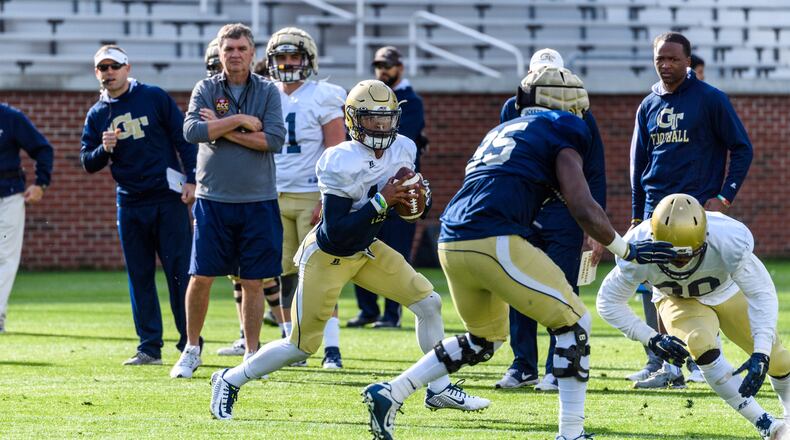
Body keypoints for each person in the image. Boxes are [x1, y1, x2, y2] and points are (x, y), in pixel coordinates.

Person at [360, 67, 677, 440]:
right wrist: (626, 248)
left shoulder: (503, 129)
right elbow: (583, 205)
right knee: (575, 323)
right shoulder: (561, 127)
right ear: (564, 101)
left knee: (482, 339)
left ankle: (392, 391)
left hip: (451, 239)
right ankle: (571, 433)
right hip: (492, 237)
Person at [208, 79, 489, 421]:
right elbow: (336, 230)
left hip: (365, 248)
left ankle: (439, 388)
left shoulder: (403, 148)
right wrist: (383, 200)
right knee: (300, 346)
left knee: (428, 304)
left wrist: (416, 201)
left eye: (386, 119)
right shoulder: (340, 159)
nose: (380, 127)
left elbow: (408, 209)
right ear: (354, 120)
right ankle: (229, 379)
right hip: (328, 255)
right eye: (372, 119)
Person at [597, 194, 790, 440]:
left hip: (727, 292)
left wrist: (761, 352)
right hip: (677, 299)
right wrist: (651, 338)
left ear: (705, 238)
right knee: (700, 343)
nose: (681, 263)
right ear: (654, 241)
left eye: (689, 255)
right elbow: (608, 301)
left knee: (777, 359)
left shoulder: (727, 238)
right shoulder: (638, 246)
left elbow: (761, 294)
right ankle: (768, 426)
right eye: (673, 256)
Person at [629, 32, 753, 387]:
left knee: (699, 283)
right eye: (660, 59)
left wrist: (724, 197)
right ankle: (669, 366)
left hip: (697, 211)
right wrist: (637, 214)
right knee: (656, 287)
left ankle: (703, 359)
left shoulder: (711, 99)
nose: (666, 65)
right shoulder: (647, 105)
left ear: (688, 61)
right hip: (655, 211)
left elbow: (742, 148)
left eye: (673, 59)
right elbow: (638, 165)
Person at [172, 23, 285, 378]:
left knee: (253, 280)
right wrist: (240, 121)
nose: (235, 54)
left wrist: (221, 128)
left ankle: (252, 354)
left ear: (252, 53)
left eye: (241, 48)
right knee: (201, 276)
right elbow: (192, 131)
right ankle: (192, 349)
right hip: (212, 200)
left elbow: (273, 140)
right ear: (219, 54)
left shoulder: (268, 90)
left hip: (258, 199)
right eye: (228, 49)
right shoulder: (206, 87)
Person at [494, 48, 606, 391]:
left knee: (562, 289)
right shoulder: (512, 108)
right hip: (526, 209)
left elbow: (595, 170)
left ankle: (557, 366)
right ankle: (522, 364)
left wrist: (596, 228)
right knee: (519, 287)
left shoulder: (581, 113)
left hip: (564, 210)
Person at [80, 45, 196, 365]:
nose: (109, 72)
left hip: (167, 198)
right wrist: (104, 149)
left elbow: (183, 138)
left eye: (114, 66)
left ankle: (190, 343)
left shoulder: (153, 96)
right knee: (140, 276)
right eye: (103, 67)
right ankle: (149, 347)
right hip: (130, 202)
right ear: (96, 73)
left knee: (179, 273)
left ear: (127, 68)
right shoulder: (97, 114)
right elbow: (88, 162)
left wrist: (192, 179)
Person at [266, 26, 347, 368]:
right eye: (281, 57)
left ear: (308, 59)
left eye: (294, 56)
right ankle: (292, 345)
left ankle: (332, 348)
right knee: (284, 274)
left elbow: (336, 151)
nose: (287, 63)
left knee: (320, 273)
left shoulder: (322, 95)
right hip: (273, 194)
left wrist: (327, 199)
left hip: (311, 194)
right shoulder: (266, 93)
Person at [347, 45, 428, 329]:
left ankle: (392, 313)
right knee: (362, 248)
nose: (382, 70)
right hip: (368, 186)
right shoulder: (366, 97)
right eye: (379, 65)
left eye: (387, 65)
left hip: (398, 188)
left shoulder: (411, 101)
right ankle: (367, 310)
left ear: (400, 68)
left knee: (397, 253)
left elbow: (399, 137)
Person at [0, 104, 53, 333]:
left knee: (5, 257)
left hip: (9, 196)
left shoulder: (10, 117)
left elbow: (43, 149)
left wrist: (41, 183)